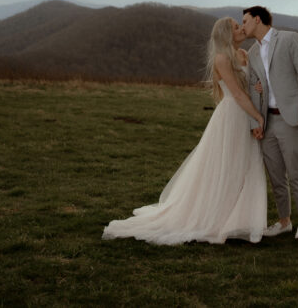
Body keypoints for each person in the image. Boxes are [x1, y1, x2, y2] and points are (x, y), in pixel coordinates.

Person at [101, 17, 267, 245]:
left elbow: (249, 88)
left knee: (243, 164)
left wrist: (258, 92)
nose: (241, 30)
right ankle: (217, 216)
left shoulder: (243, 55)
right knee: (226, 165)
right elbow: (237, 94)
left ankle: (237, 216)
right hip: (231, 116)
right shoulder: (222, 59)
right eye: (237, 28)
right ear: (227, 35)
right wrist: (257, 117)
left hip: (243, 115)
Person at [242, 5, 298, 240]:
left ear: (257, 19)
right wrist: (256, 121)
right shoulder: (252, 53)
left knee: (297, 173)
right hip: (267, 122)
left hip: (291, 118)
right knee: (275, 176)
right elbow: (255, 91)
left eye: (245, 21)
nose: (243, 26)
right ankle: (284, 221)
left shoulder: (289, 39)